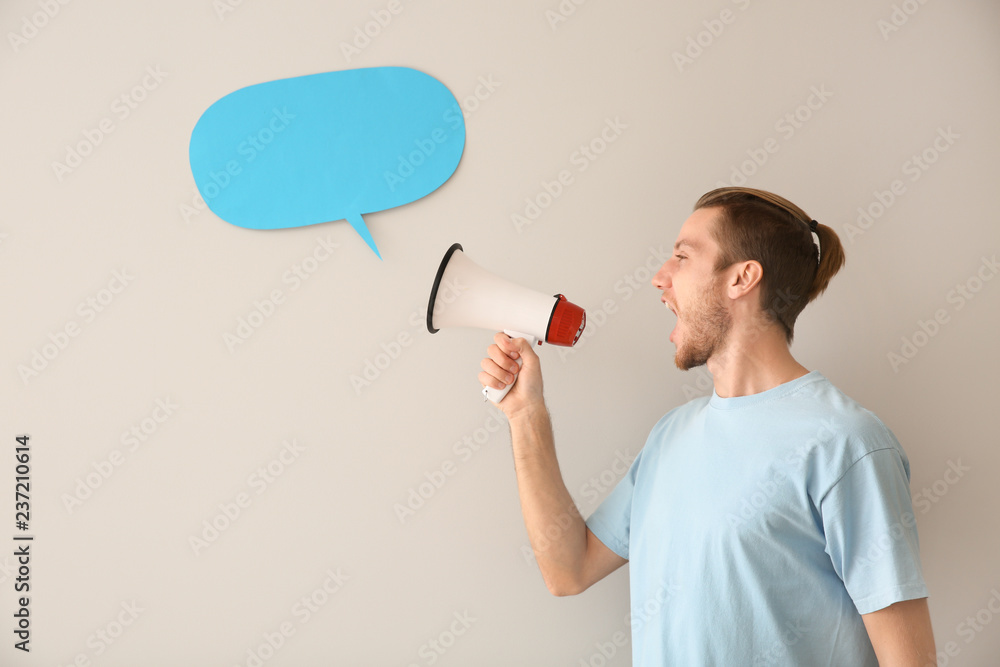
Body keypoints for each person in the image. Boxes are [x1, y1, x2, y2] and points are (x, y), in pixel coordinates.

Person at [479, 187, 935, 666]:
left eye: (681, 257)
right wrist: (525, 414)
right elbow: (569, 570)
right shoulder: (670, 435)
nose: (659, 278)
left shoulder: (847, 444)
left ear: (741, 278)